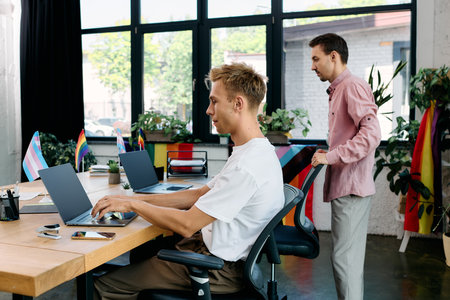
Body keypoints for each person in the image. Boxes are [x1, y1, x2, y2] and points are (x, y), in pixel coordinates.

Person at [91, 62, 284, 300]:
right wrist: (133, 198)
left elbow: (187, 224)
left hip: (216, 269)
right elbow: (198, 195)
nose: (208, 110)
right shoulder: (254, 151)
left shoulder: (247, 166)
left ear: (238, 104)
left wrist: (133, 206)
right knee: (143, 253)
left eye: (214, 101)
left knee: (103, 285)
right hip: (217, 255)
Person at [308, 33, 381, 300]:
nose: (312, 66)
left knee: (344, 262)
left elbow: (372, 135)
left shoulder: (352, 86)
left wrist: (333, 156)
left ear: (334, 56)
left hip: (351, 189)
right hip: (347, 187)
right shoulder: (340, 89)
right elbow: (353, 136)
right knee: (346, 260)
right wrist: (330, 153)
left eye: (316, 58)